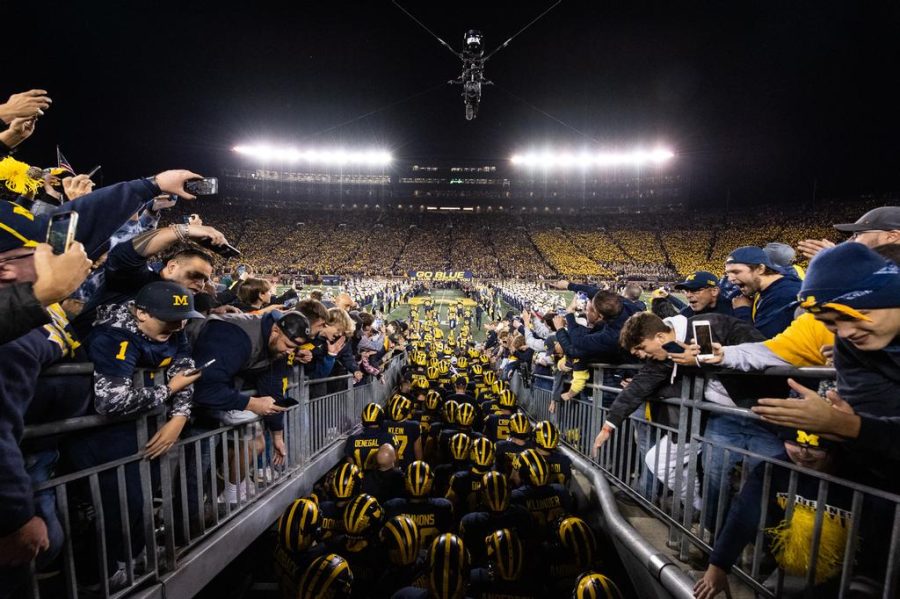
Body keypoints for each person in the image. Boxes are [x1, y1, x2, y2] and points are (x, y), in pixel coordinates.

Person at [68, 281, 204, 586]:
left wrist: (180, 416)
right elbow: (111, 401)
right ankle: (101, 575)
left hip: (142, 432)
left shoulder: (174, 329)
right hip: (100, 438)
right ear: (141, 313)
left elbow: (186, 369)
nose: (178, 326)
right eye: (168, 319)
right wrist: (169, 390)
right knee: (116, 506)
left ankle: (130, 557)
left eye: (182, 319)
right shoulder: (112, 334)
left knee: (142, 499)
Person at [723, 246, 801, 338]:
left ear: (760, 269)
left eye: (736, 272)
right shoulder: (766, 288)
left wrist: (742, 310)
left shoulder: (783, 296)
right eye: (728, 273)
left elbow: (760, 345)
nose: (730, 279)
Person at [384, 461, 453, 548]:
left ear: (406, 482)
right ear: (429, 483)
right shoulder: (443, 507)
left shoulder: (392, 506)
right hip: (431, 556)